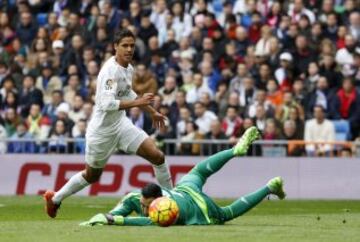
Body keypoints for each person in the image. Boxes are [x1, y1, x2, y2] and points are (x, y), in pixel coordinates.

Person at [44, 29, 173, 218]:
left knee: (157, 156)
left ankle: (171, 199)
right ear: (115, 47)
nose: (129, 49)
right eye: (125, 45)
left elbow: (128, 94)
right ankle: (55, 199)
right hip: (102, 133)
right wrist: (139, 103)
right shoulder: (110, 71)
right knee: (92, 176)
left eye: (132, 45)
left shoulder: (128, 68)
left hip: (121, 125)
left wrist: (152, 112)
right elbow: (106, 104)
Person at [80, 127, 285, 227]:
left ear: (158, 200)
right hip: (184, 188)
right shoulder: (136, 198)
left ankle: (269, 187)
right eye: (143, 204)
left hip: (198, 206)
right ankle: (234, 150)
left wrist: (115, 221)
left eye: (148, 205)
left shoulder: (164, 210)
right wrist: (108, 215)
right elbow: (120, 209)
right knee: (198, 171)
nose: (144, 208)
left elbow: (149, 222)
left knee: (226, 214)